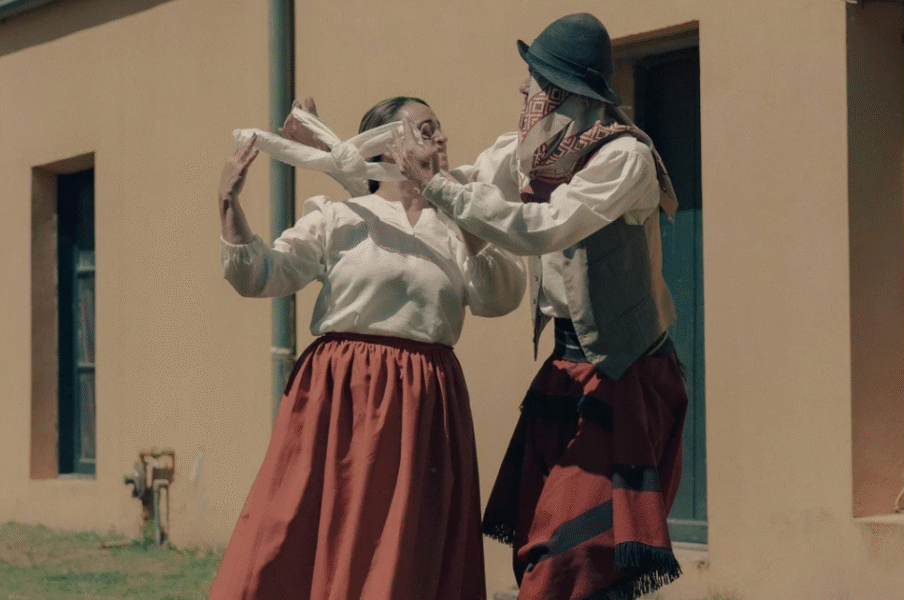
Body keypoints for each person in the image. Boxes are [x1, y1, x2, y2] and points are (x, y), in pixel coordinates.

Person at [391, 13, 689, 600]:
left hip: (624, 374)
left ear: (562, 94)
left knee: (575, 555)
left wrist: (438, 186)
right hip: (567, 372)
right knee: (540, 540)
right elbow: (464, 183)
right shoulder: (532, 153)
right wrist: (347, 155)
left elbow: (544, 227)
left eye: (534, 83)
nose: (522, 91)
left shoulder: (623, 158)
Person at [209, 96, 526, 600]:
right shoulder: (341, 217)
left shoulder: (457, 224)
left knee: (406, 549)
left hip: (424, 405)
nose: (442, 139)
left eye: (439, 128)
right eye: (426, 130)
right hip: (340, 398)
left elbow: (499, 297)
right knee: (312, 530)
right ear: (387, 146)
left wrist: (459, 211)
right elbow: (261, 275)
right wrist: (229, 204)